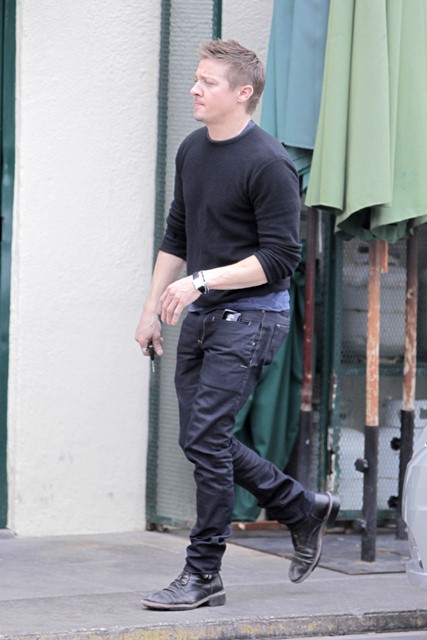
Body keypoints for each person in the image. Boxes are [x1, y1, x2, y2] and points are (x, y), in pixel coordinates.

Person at [135, 39, 340, 611]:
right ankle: (301, 506)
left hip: (252, 317)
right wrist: (151, 309)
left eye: (208, 82)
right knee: (201, 439)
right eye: (196, 78)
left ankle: (204, 573)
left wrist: (201, 281)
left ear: (243, 92)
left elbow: (281, 257)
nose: (195, 89)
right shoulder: (192, 149)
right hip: (203, 313)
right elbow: (177, 234)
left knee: (206, 438)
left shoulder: (269, 163)